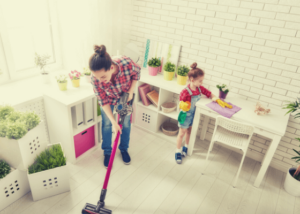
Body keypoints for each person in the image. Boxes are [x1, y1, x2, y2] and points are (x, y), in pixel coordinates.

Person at [89, 44, 141, 168]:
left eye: (103, 77)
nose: (100, 81)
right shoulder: (95, 79)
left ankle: (123, 149)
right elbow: (103, 101)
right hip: (108, 99)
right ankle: (107, 152)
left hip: (124, 97)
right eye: (97, 77)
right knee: (107, 124)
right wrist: (114, 122)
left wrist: (131, 90)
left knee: (126, 124)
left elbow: (137, 72)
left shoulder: (126, 64)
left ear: (111, 68)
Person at [176, 62, 217, 164]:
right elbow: (180, 103)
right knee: (181, 133)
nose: (202, 83)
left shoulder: (199, 89)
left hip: (194, 116)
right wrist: (183, 104)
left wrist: (214, 97)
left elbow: (208, 93)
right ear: (192, 80)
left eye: (202, 81)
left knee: (190, 132)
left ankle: (186, 147)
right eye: (200, 81)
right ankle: (178, 151)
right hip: (186, 115)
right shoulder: (185, 91)